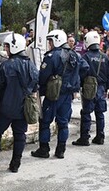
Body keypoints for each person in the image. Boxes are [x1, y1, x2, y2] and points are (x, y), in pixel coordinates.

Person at [0, 33, 38, 173]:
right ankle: (15, 164)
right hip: (23, 108)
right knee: (20, 135)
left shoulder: (6, 66)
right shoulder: (31, 65)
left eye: (7, 46)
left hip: (5, 107)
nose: (5, 49)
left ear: (14, 47)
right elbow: (35, 86)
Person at [31, 30, 89, 159]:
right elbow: (85, 68)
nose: (49, 44)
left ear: (56, 40)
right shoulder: (75, 55)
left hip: (53, 94)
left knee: (45, 121)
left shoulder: (52, 56)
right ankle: (61, 150)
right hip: (67, 95)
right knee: (63, 122)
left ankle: (44, 149)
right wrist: (75, 81)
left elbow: (43, 76)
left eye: (50, 41)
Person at [73, 31, 109, 146]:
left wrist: (79, 86)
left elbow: (81, 73)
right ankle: (100, 136)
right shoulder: (105, 57)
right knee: (100, 113)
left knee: (86, 113)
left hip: (88, 87)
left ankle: (84, 138)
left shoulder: (85, 57)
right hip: (101, 87)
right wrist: (107, 89)